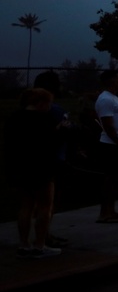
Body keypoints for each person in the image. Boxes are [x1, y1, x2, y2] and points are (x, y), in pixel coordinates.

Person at [4, 88, 61, 258]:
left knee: (26, 205)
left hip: (20, 167)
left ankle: (24, 244)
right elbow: (49, 142)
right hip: (41, 168)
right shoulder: (44, 119)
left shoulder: (14, 118)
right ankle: (39, 245)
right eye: (48, 103)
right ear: (41, 103)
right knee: (45, 206)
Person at [33, 70, 72, 248]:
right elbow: (66, 131)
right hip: (54, 159)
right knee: (49, 201)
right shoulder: (54, 110)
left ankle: (41, 235)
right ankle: (43, 236)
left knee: (36, 201)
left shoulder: (29, 110)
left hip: (36, 159)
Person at [95, 69, 118, 223]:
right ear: (111, 81)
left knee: (117, 179)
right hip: (112, 145)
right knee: (110, 179)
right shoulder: (105, 100)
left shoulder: (114, 98)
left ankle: (112, 210)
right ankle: (104, 213)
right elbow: (108, 126)